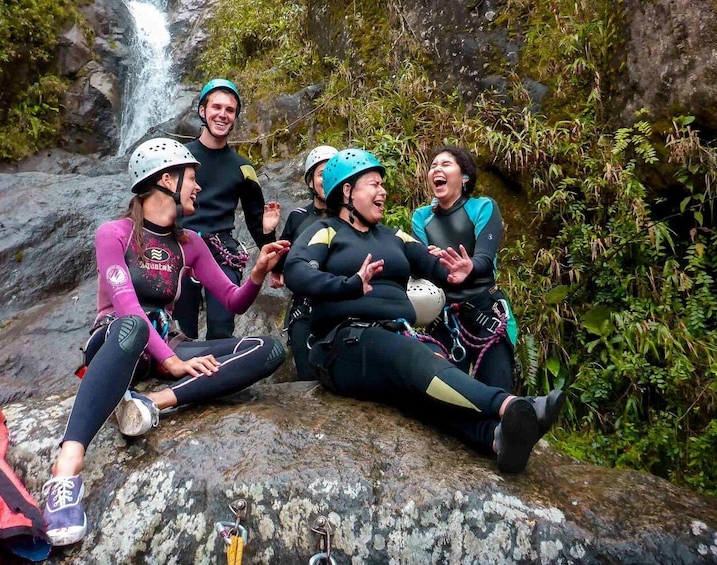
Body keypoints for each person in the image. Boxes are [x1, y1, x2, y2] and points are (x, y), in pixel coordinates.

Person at [41, 138, 289, 547]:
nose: (198, 189)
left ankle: (150, 405)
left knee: (269, 348)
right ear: (166, 179)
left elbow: (233, 300)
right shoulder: (114, 234)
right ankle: (66, 472)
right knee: (134, 327)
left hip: (165, 347)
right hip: (118, 341)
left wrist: (259, 271)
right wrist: (172, 360)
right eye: (192, 179)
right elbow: (124, 304)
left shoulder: (189, 243)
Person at [284, 148, 565, 475]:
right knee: (409, 357)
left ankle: (496, 437)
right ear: (347, 191)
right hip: (343, 343)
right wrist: (348, 284)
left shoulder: (392, 236)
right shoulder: (327, 230)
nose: (383, 191)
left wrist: (458, 271)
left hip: (394, 335)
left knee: (425, 385)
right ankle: (510, 406)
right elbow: (298, 270)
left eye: (382, 185)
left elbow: (432, 264)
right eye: (373, 184)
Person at [173, 78, 280, 340]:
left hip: (223, 253)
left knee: (222, 328)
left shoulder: (243, 168)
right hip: (182, 248)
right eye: (216, 107)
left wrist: (274, 255)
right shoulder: (178, 158)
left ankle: (220, 378)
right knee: (180, 331)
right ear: (202, 111)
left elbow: (257, 223)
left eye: (229, 110)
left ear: (235, 117)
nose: (222, 114)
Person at [412, 146, 519, 392]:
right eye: (433, 165)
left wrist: (468, 266)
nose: (437, 168)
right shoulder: (421, 218)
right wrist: (428, 262)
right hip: (445, 315)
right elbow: (420, 267)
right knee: (446, 395)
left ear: (465, 177)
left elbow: (484, 259)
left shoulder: (483, 207)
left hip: (486, 312)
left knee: (497, 391)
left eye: (446, 164)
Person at [270, 145, 338, 380]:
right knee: (307, 377)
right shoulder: (298, 216)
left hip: (343, 304)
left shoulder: (352, 216)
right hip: (305, 307)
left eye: (333, 172)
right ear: (310, 182)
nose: (328, 178)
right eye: (321, 174)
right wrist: (268, 234)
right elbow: (280, 261)